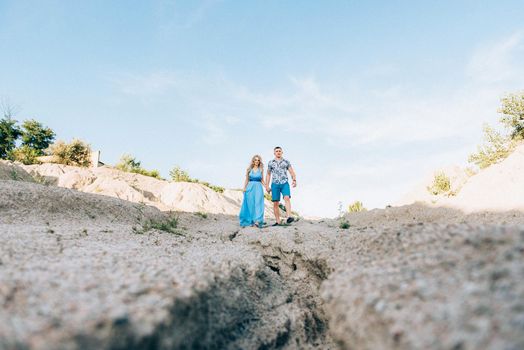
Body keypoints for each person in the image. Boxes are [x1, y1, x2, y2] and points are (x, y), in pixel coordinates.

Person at [265, 146, 297, 226]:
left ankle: (289, 216)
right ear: (274, 153)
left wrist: (294, 179)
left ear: (282, 152)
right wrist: (267, 186)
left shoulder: (286, 162)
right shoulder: (271, 162)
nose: (278, 152)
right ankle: (278, 221)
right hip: (275, 184)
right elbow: (268, 174)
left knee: (287, 198)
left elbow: (291, 171)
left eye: (279, 151)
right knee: (276, 203)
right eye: (276, 151)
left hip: (284, 183)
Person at [239, 155, 267, 227]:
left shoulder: (261, 169)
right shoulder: (249, 169)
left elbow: (262, 180)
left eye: (258, 160)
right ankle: (250, 221)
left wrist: (266, 187)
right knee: (250, 204)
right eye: (255, 160)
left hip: (258, 187)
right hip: (250, 187)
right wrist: (244, 188)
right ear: (253, 161)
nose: (257, 161)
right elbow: (247, 179)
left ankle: (257, 221)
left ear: (259, 161)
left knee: (258, 203)